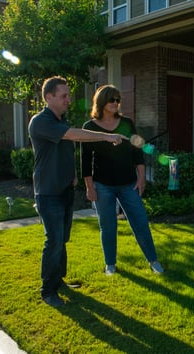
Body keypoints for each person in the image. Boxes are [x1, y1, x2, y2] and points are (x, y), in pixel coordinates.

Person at [29, 76, 124, 308]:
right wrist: (106, 136)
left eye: (68, 95)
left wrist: (72, 175)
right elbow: (73, 135)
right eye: (64, 96)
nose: (68, 99)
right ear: (49, 97)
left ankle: (58, 280)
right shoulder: (41, 121)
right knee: (53, 240)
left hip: (64, 190)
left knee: (62, 240)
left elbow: (65, 148)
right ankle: (47, 290)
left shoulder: (61, 120)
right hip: (48, 192)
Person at [81, 84, 164, 276]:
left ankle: (153, 261)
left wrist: (141, 178)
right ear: (102, 101)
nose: (116, 103)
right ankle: (110, 264)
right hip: (102, 186)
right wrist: (89, 187)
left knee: (140, 222)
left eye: (118, 100)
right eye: (112, 99)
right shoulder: (90, 127)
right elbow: (85, 159)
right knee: (108, 225)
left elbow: (137, 151)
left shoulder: (127, 123)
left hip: (129, 183)